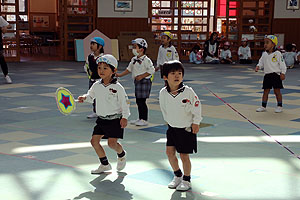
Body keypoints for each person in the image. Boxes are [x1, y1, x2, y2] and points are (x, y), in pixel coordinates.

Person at [78, 54, 130, 174]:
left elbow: (125, 103)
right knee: (94, 141)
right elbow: (90, 96)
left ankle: (121, 154)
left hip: (115, 119)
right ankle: (104, 164)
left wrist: (125, 117)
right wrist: (84, 98)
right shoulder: (96, 85)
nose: (101, 70)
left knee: (112, 143)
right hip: (101, 119)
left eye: (105, 68)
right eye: (99, 67)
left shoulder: (118, 87)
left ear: (114, 70)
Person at [159, 60, 202, 191]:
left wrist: (196, 122)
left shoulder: (188, 91)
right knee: (169, 153)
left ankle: (187, 179)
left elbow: (197, 106)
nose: (177, 76)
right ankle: (177, 175)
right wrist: (169, 121)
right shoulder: (163, 93)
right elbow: (163, 108)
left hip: (186, 129)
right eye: (173, 73)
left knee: (184, 155)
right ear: (165, 77)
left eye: (179, 73)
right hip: (172, 129)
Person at [117, 38, 155, 126]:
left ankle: (144, 119)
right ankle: (140, 118)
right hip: (137, 82)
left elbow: (151, 70)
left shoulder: (146, 60)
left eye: (135, 47)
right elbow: (129, 69)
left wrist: (142, 76)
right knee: (138, 100)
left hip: (144, 82)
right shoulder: (134, 59)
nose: (133, 49)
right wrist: (120, 75)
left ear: (141, 49)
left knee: (142, 101)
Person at [255, 35, 287, 113]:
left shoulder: (278, 54)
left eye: (267, 42)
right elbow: (261, 62)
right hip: (267, 75)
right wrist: (258, 66)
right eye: (264, 43)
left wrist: (283, 73)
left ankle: (279, 106)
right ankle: (263, 106)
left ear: (273, 44)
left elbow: (282, 64)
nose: (265, 44)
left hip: (276, 75)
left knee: (277, 91)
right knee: (266, 91)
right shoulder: (264, 54)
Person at [84, 37, 105, 119]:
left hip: (101, 80)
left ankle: (103, 111)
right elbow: (86, 66)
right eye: (91, 44)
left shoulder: (103, 57)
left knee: (102, 96)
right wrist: (89, 74)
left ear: (100, 46)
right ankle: (95, 111)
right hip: (92, 79)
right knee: (93, 96)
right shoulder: (89, 57)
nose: (91, 46)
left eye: (93, 44)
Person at [0, 16, 12, 84]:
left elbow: (9, 26)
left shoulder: (0, 18)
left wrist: (3, 28)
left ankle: (6, 75)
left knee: (1, 59)